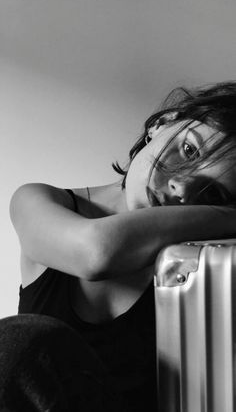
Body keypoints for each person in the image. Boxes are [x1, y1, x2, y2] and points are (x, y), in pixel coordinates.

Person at [5, 81, 236, 411]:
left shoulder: (206, 257)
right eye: (189, 150)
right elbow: (98, 253)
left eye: (212, 194)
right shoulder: (37, 200)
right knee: (19, 342)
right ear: (161, 124)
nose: (181, 187)